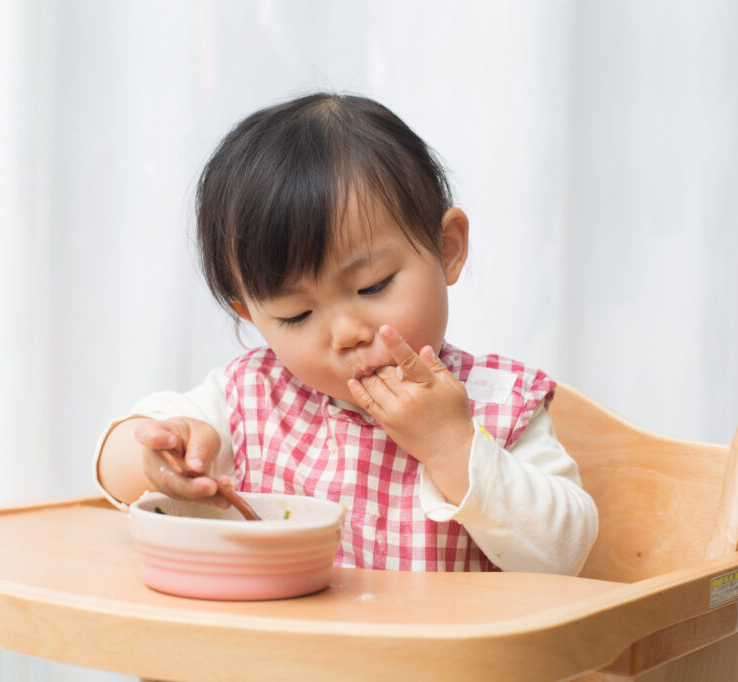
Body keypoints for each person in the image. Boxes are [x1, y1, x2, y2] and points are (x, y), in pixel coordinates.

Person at [95, 93, 598, 574]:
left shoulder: (498, 404)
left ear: (446, 248)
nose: (345, 335)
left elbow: (564, 553)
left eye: (373, 285)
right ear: (250, 314)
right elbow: (115, 467)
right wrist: (160, 456)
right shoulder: (250, 400)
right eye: (296, 315)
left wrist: (454, 445)